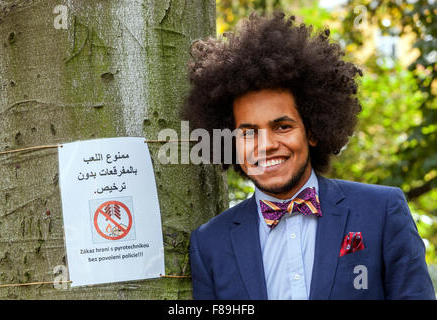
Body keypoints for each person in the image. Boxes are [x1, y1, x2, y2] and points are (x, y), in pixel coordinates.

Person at [182, 12, 435, 300]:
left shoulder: (382, 212)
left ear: (313, 131)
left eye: (282, 126)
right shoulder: (209, 244)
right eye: (248, 132)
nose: (265, 145)